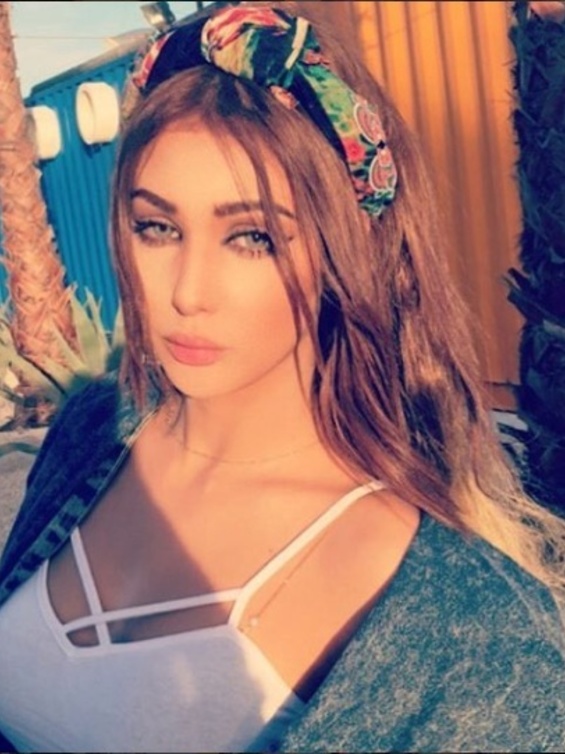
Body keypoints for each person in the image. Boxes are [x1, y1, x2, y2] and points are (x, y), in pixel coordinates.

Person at [1, 2, 565, 752]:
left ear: (344, 254)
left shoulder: (476, 640)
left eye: (252, 238)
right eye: (157, 227)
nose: (187, 292)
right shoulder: (94, 429)